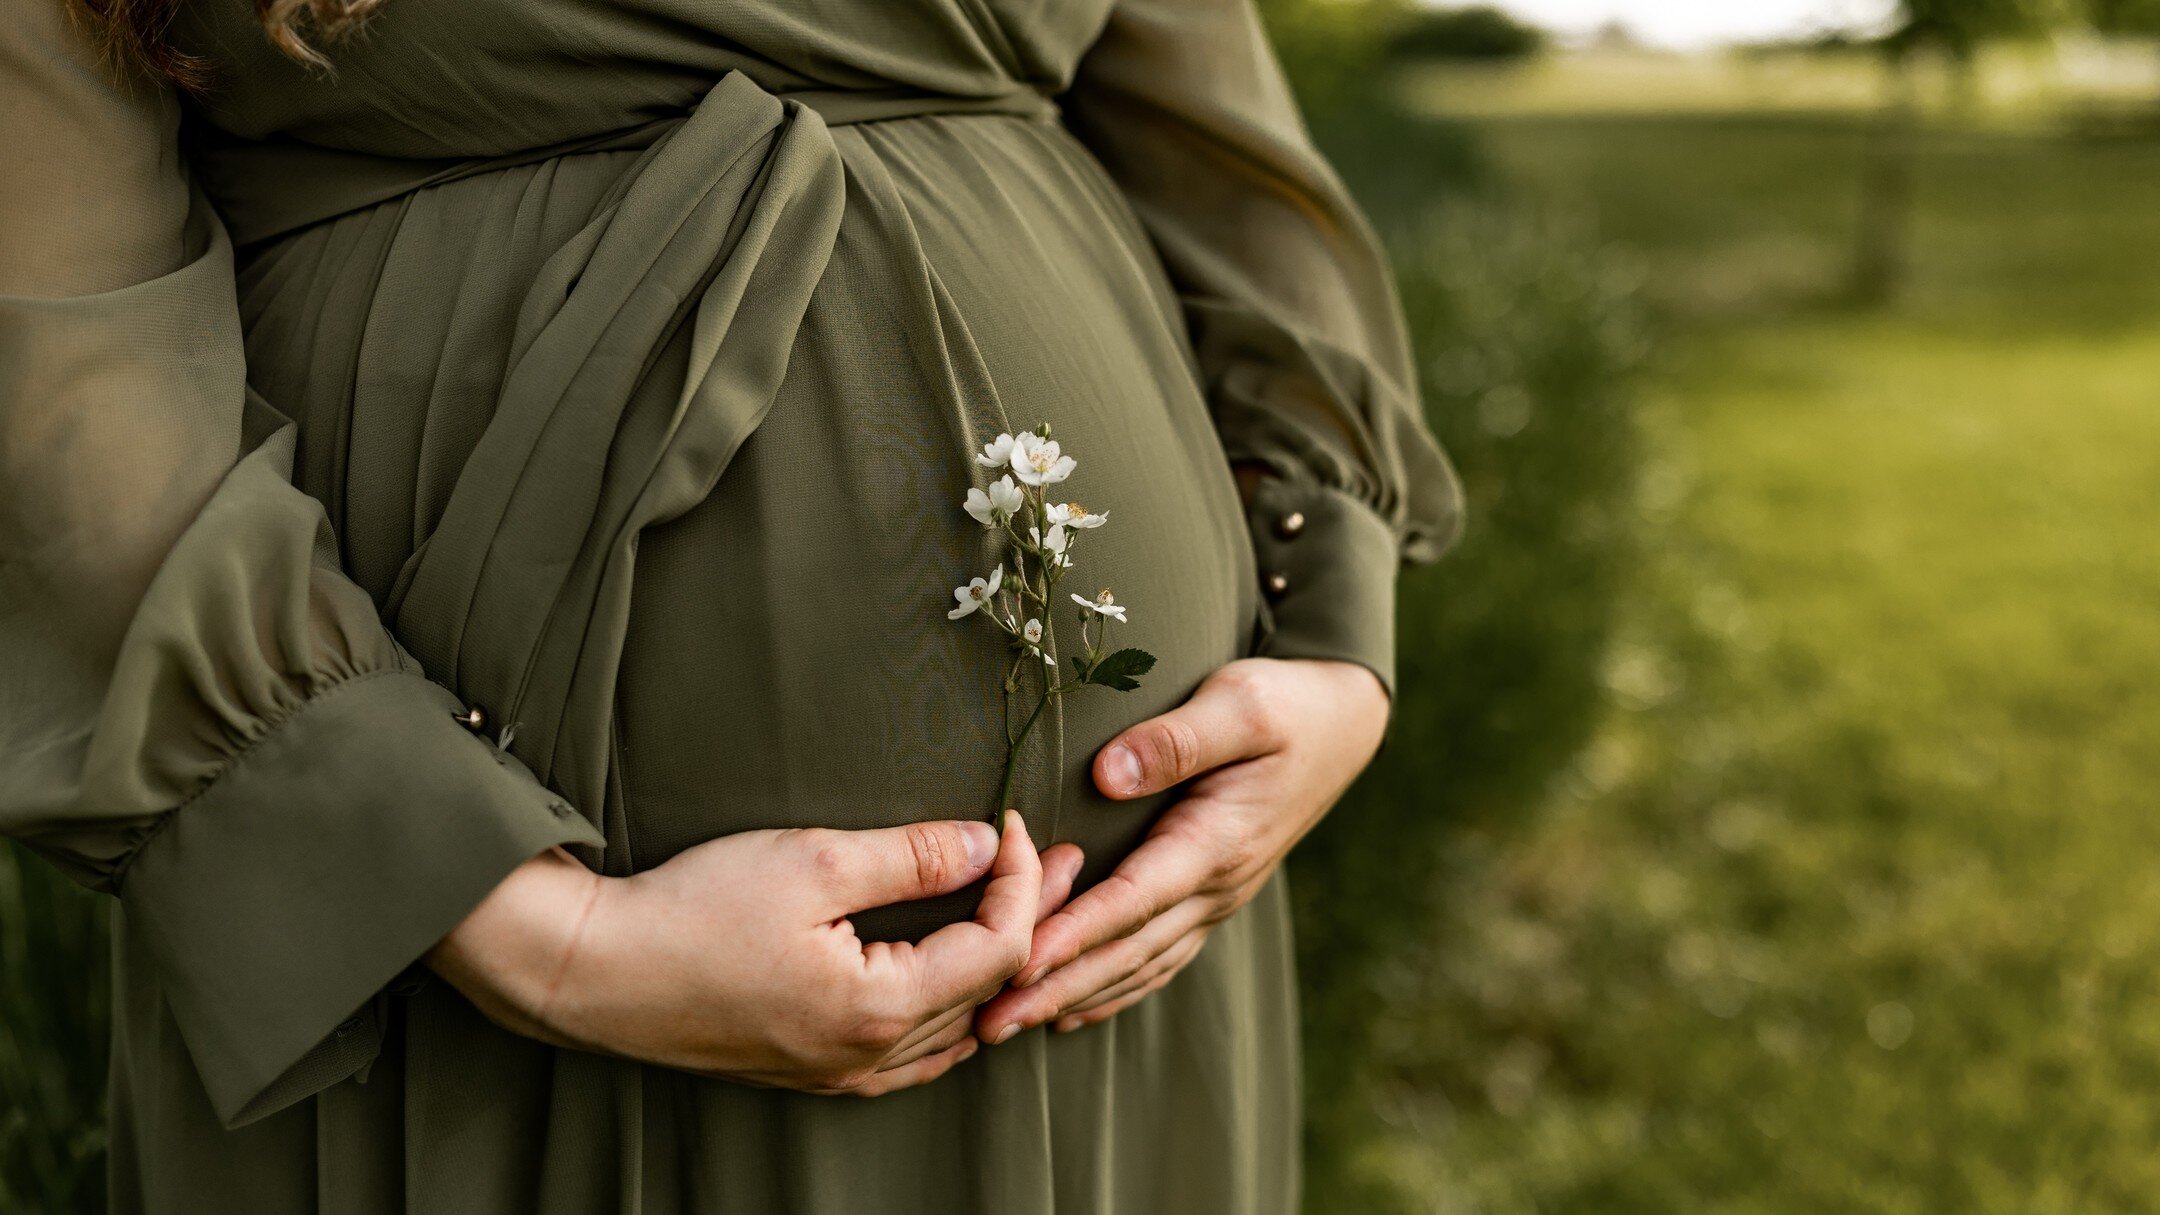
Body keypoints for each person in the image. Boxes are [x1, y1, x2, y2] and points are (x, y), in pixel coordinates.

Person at [0, 0, 1461, 1209]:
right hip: (448, 935)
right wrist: (518, 926)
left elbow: (1215, 142)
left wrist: (1328, 618)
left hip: (1117, 965)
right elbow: (50, 305)